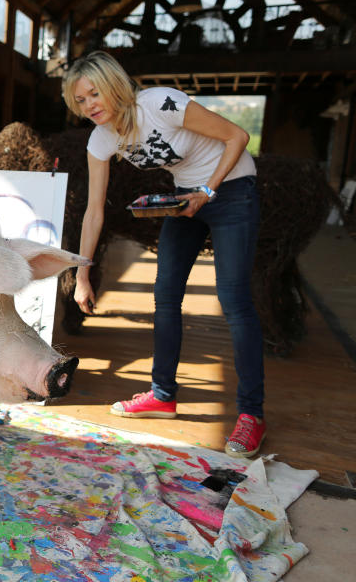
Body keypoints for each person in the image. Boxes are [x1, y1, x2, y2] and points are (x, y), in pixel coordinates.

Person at [61, 51, 266, 459]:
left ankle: (251, 415)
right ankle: (163, 394)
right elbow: (94, 210)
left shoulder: (160, 104)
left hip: (232, 188)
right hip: (185, 196)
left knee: (233, 299)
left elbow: (237, 137)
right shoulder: (101, 139)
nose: (90, 106)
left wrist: (207, 191)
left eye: (94, 93)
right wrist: (82, 274)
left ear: (114, 84)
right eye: (80, 101)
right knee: (166, 293)